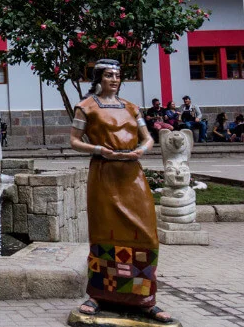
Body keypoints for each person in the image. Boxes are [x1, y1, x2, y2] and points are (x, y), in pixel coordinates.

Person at [70, 59, 173, 324]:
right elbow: (74, 141)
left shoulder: (131, 107)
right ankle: (97, 295)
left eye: (117, 75)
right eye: (108, 75)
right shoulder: (86, 107)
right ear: (98, 78)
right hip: (104, 172)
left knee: (146, 234)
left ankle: (145, 298)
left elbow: (147, 136)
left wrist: (143, 149)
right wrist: (99, 150)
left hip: (132, 173)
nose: (114, 79)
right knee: (105, 233)